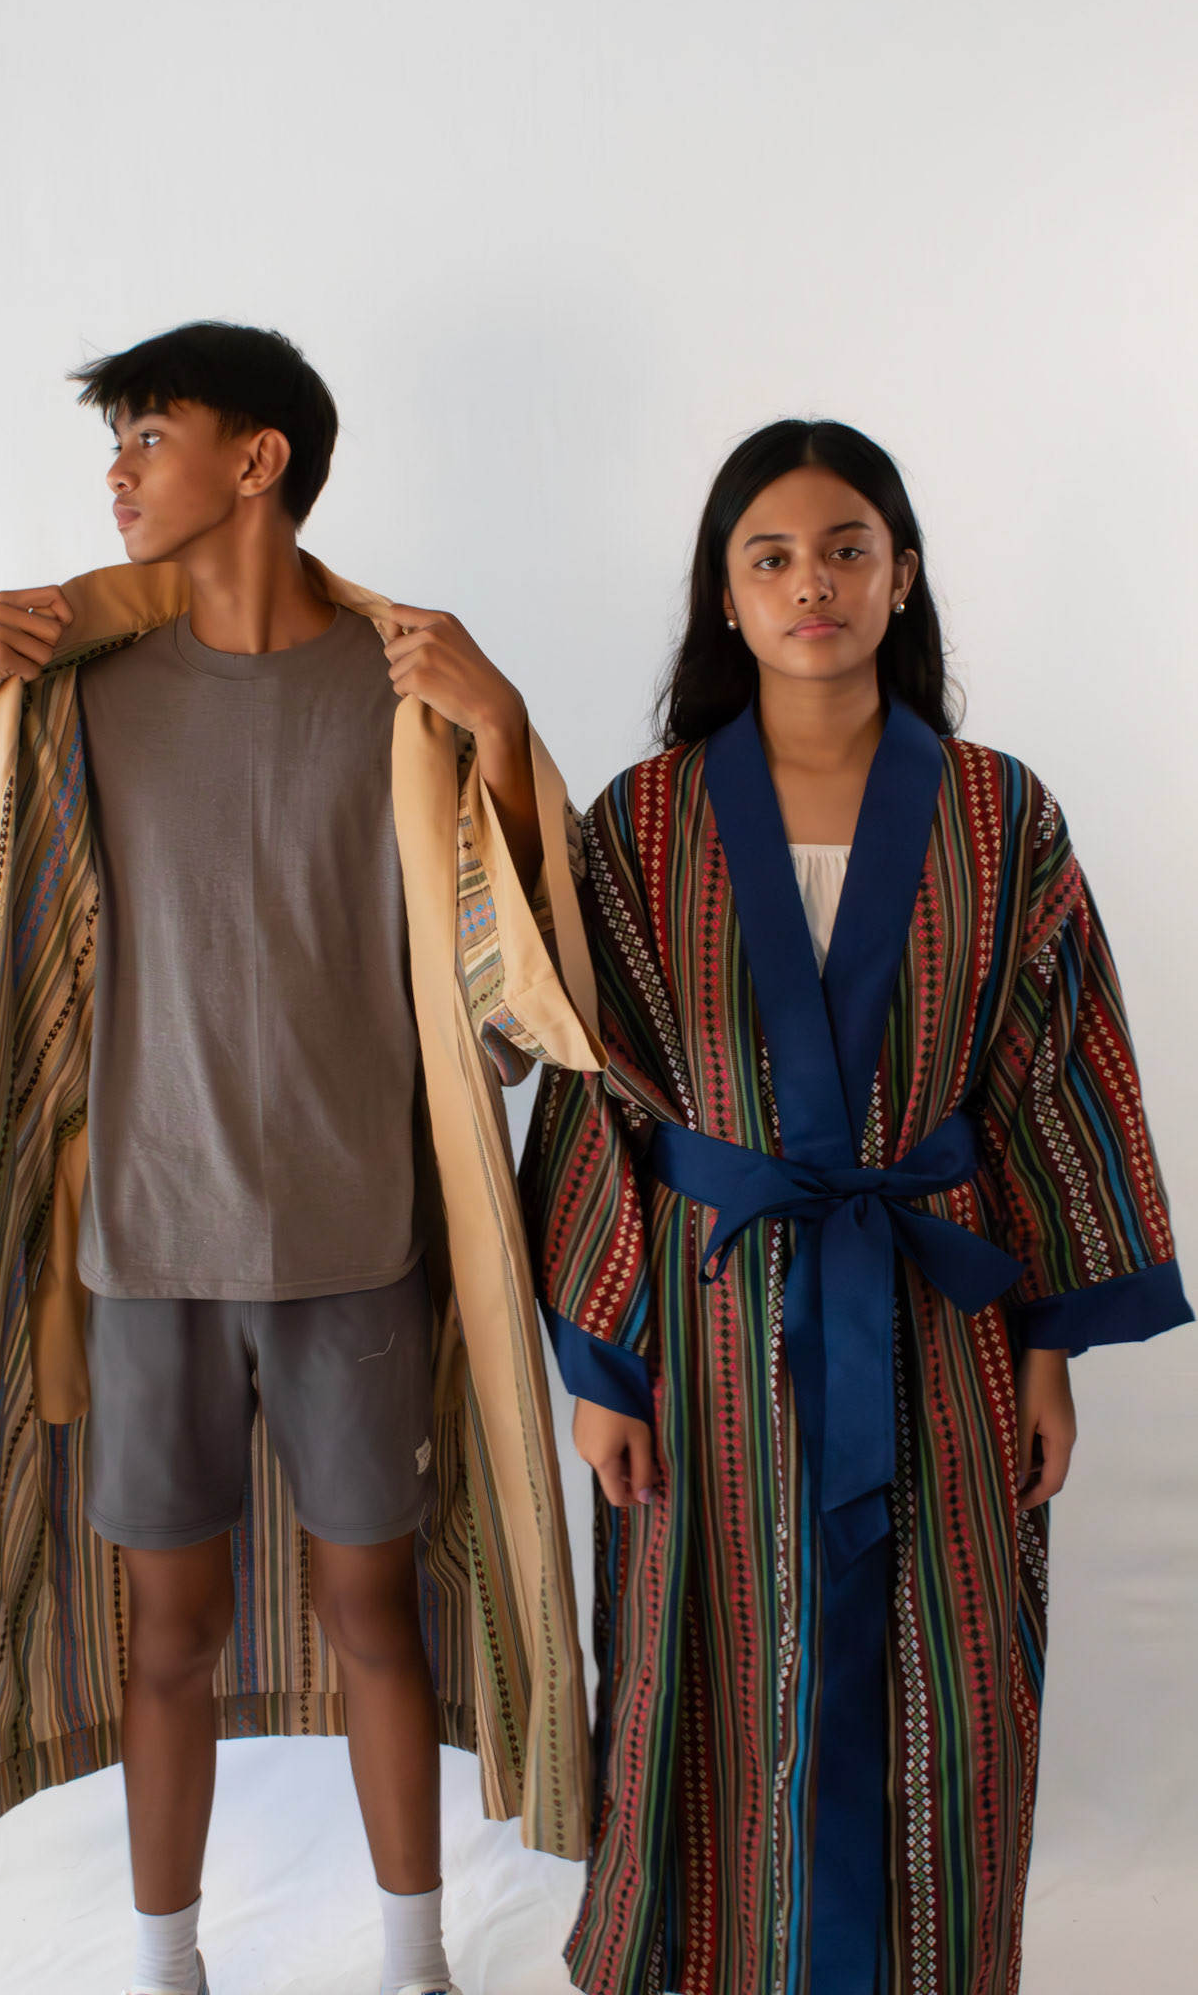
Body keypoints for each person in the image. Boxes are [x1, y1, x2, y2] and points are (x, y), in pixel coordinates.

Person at [0, 321, 603, 1995]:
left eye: (147, 435)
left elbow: (527, 992)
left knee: (374, 1616)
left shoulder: (400, 696)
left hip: (358, 1245)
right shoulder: (74, 698)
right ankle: (164, 1965)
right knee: (164, 1638)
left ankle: (414, 1963)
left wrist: (501, 728)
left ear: (257, 461)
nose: (116, 474)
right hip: (139, 1251)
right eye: (115, 443)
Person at [521, 418, 1191, 1995]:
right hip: (708, 1324)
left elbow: (1051, 1082)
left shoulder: (997, 813)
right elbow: (594, 1091)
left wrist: (1045, 1349)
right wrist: (604, 1369)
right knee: (706, 1651)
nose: (809, 583)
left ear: (901, 577)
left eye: (844, 550)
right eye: (770, 557)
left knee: (944, 1660)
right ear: (726, 593)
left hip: (935, 1327)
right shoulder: (643, 820)